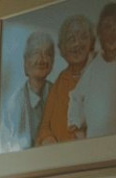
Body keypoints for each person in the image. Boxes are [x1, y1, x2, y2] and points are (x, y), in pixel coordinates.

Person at [67, 3, 116, 139]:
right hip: (95, 142)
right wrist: (76, 124)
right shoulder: (94, 65)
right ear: (99, 31)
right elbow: (76, 97)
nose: (113, 33)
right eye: (108, 26)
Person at [36, 14, 94, 145]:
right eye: (70, 39)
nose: (77, 43)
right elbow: (44, 127)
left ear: (91, 42)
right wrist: (48, 140)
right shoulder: (61, 80)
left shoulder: (99, 73)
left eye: (83, 37)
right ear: (61, 49)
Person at [0, 31, 55, 153]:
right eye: (36, 53)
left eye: (48, 54)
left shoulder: (58, 93)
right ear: (26, 61)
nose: (42, 59)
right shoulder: (13, 105)